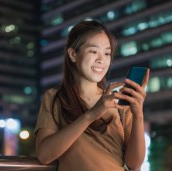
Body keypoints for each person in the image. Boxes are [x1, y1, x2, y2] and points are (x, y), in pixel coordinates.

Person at [34, 20, 150, 171]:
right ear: (73, 54)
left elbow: (134, 164)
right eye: (94, 51)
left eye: (107, 53)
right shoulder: (55, 97)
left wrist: (138, 114)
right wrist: (92, 114)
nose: (101, 60)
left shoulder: (119, 101)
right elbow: (44, 155)